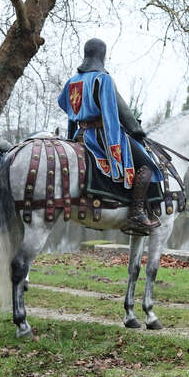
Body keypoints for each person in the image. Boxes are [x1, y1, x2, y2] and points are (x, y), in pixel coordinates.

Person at [57, 38, 162, 235]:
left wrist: (77, 121)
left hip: (80, 135)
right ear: (102, 55)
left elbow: (64, 103)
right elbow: (116, 112)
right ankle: (136, 213)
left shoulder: (72, 81)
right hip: (100, 137)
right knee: (148, 165)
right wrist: (136, 131)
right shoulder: (102, 79)